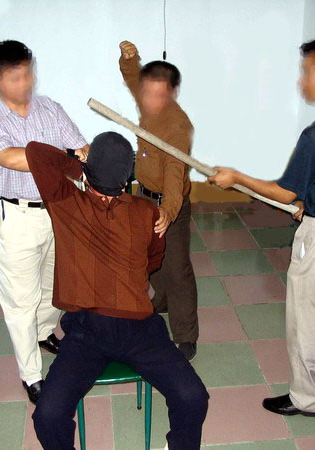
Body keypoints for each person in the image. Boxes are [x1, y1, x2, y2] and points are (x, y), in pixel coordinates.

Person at [209, 36, 315, 417]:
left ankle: (307, 399)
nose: (301, 81)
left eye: (306, 72)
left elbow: (285, 192)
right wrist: (312, 201)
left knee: (308, 318)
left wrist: (236, 177)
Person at [27, 132, 209, 449]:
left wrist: (78, 160)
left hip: (95, 330)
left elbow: (36, 152)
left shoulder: (66, 203)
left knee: (48, 415)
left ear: (89, 174)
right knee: (193, 397)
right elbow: (154, 261)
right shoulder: (148, 212)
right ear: (127, 178)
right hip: (132, 328)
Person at [0, 40, 89, 404]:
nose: (24, 83)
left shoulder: (50, 109)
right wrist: (63, 158)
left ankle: (43, 332)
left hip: (58, 212)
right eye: (15, 77)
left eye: (27, 73)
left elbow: (81, 149)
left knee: (55, 283)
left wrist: (80, 157)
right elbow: (11, 158)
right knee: (20, 299)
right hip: (17, 215)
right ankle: (31, 375)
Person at [119, 40, 199, 361]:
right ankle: (160, 302)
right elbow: (132, 78)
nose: (150, 101)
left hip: (170, 203)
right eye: (147, 94)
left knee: (177, 268)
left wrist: (167, 211)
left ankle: (186, 335)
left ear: (172, 93)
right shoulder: (147, 100)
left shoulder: (177, 127)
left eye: (159, 95)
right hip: (144, 198)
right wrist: (129, 59)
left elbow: (175, 177)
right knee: (150, 257)